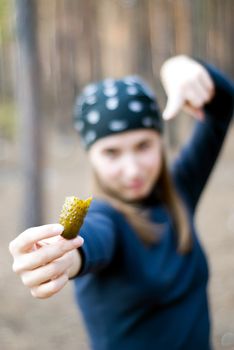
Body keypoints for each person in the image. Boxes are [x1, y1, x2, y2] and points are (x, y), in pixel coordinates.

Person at [9, 55, 234, 350]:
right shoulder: (105, 221)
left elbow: (222, 104)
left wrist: (177, 65)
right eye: (112, 152)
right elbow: (89, 242)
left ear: (160, 142)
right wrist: (61, 260)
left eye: (143, 146)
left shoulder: (181, 189)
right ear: (91, 156)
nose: (133, 170)